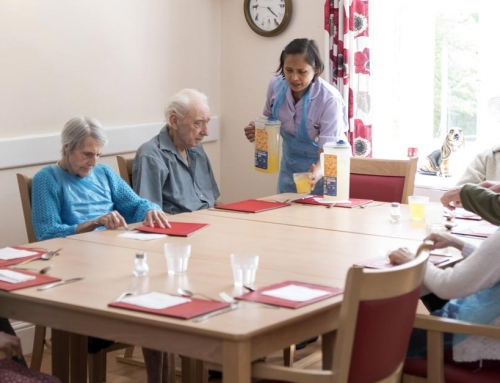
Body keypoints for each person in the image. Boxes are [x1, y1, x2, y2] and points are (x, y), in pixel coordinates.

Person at [31, 116, 170, 383]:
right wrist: (93, 222)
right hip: (74, 271)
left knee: (155, 306)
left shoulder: (104, 174)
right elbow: (46, 234)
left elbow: (136, 205)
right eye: (87, 154)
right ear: (66, 148)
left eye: (98, 154)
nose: (93, 162)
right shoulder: (46, 179)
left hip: (113, 261)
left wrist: (151, 209)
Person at [389, 183, 500, 364]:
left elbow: (448, 286)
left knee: (371, 337)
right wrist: (458, 244)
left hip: (480, 342)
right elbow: (493, 267)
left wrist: (414, 261)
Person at [243, 38, 348, 194]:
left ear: (316, 69)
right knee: (285, 213)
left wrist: (316, 173)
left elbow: (329, 151)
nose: (294, 78)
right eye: (289, 70)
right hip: (290, 166)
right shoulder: (276, 86)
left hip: (325, 169)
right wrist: (257, 131)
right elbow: (268, 122)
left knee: (320, 216)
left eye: (301, 71)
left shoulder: (328, 99)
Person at [132, 88, 220, 214]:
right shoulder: (151, 155)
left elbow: (215, 200)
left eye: (207, 122)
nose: (206, 132)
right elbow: (149, 214)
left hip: (211, 222)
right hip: (180, 228)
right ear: (174, 121)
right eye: (198, 123)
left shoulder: (197, 148)